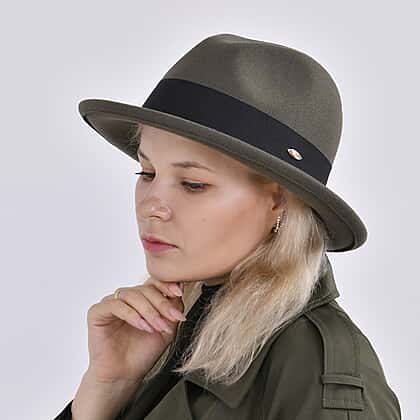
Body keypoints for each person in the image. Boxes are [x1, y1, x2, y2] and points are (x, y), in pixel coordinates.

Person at [54, 33, 401, 419]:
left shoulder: (316, 373)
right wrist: (106, 389)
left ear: (278, 202)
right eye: (147, 172)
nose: (152, 206)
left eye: (193, 184)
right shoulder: (179, 329)